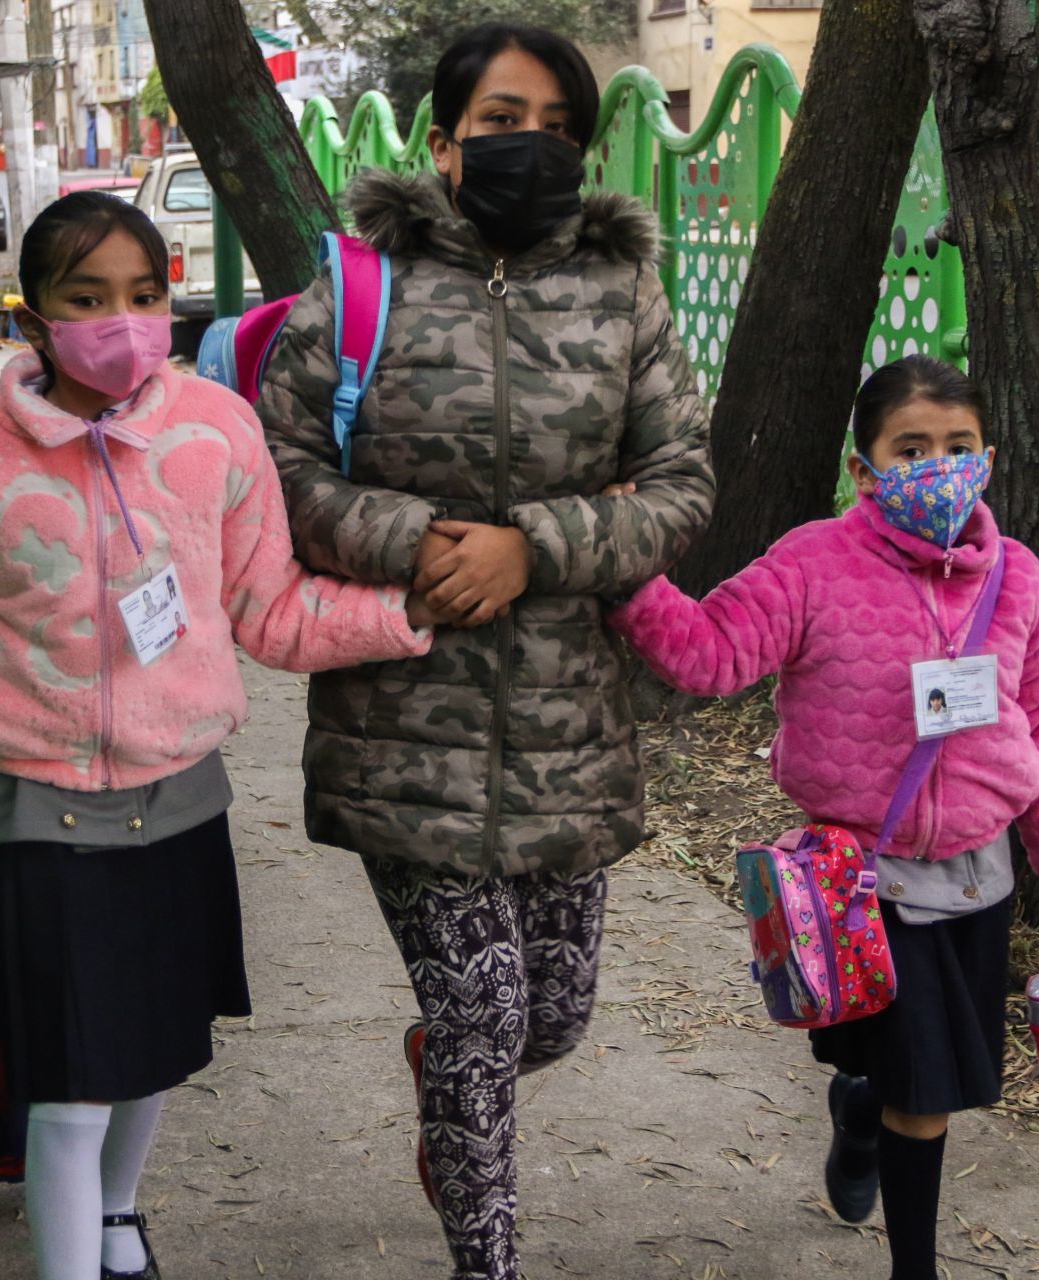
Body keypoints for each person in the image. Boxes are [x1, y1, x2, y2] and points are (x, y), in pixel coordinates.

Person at [0, 191, 446, 1280]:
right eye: (86, 296)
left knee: (148, 1044)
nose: (122, 320)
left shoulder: (214, 428)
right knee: (66, 1082)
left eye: (143, 295)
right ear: (34, 315)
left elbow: (271, 609)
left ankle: (114, 1215)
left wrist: (403, 616)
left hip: (179, 798)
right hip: (35, 806)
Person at [258, 23, 714, 1280]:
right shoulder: (361, 283)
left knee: (548, 1017)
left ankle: (449, 1074)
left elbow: (682, 482)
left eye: (560, 124)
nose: (534, 144)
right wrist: (410, 540)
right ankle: (486, 1259)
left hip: (572, 725)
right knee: (481, 1009)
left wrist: (537, 546)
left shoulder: (624, 292)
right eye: (505, 118)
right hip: (404, 721)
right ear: (445, 139)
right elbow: (277, 467)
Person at [606, 354, 1039, 1280]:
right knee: (926, 1092)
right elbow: (710, 656)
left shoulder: (1020, 579)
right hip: (863, 882)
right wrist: (623, 566)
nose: (938, 465)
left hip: (982, 876)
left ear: (987, 458)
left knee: (916, 1077)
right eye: (910, 448)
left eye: (957, 446)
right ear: (864, 469)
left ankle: (858, 1106)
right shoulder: (812, 563)